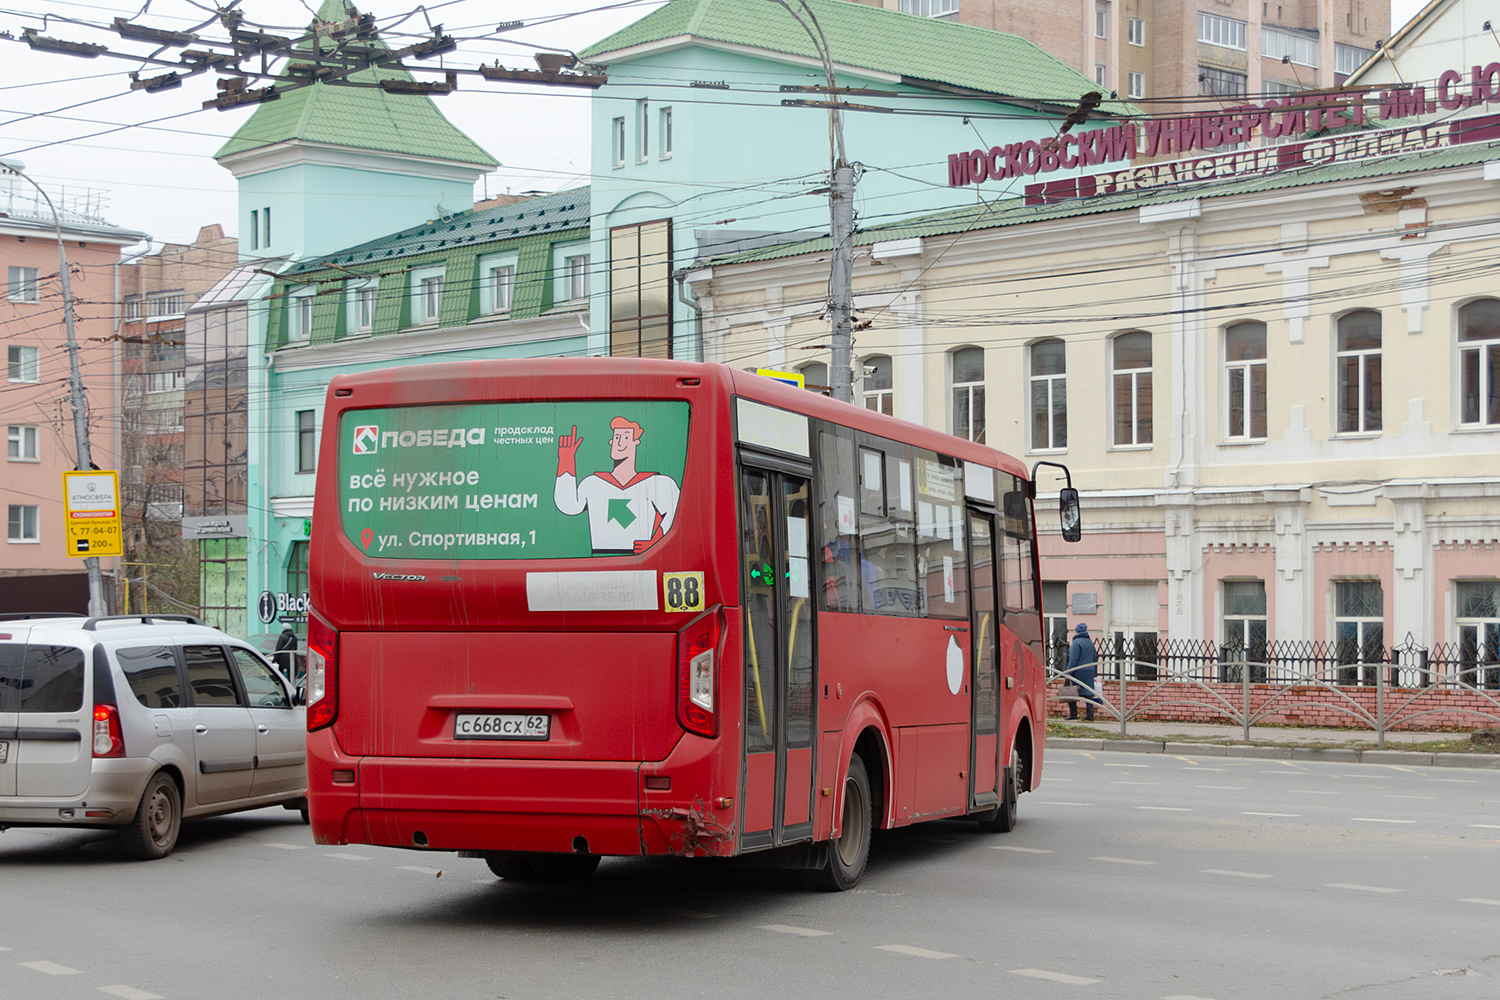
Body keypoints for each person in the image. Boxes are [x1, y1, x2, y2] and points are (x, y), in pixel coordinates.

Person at [554, 417, 681, 554]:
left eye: (626, 437)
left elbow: (675, 512)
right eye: (616, 437)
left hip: (640, 560)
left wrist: (655, 542)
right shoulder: (593, 483)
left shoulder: (656, 483)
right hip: (600, 558)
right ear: (611, 441)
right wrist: (566, 461)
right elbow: (568, 505)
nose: (619, 443)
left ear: (636, 442)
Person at [1065, 622, 1100, 721]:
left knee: (1071, 691)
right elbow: (1094, 659)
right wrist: (1094, 674)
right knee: (1088, 694)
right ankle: (1090, 715)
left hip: (1078, 672)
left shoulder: (1076, 643)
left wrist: (1068, 673)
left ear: (1077, 632)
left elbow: (1073, 659)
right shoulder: (1090, 642)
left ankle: (1073, 714)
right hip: (1089, 672)